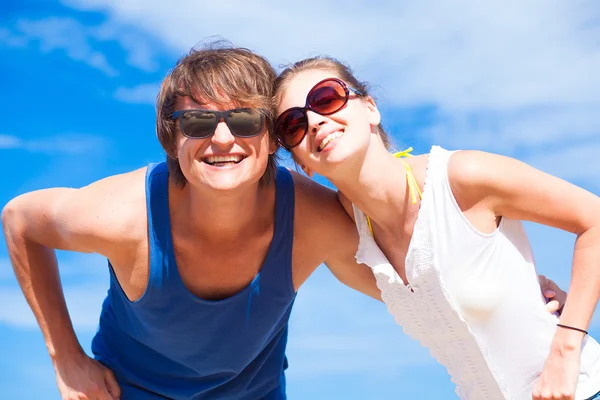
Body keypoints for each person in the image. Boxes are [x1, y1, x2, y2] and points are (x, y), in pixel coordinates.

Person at [1, 42, 566, 400]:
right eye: (197, 121)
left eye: (245, 119)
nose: (222, 139)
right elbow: (20, 219)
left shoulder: (314, 218)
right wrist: (66, 358)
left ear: (272, 140)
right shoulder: (123, 214)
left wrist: (514, 285)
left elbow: (405, 277)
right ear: (172, 138)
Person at [272, 56, 600, 400]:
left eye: (326, 98)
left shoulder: (460, 179)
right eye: (293, 124)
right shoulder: (353, 247)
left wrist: (567, 347)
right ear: (302, 163)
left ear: (370, 109)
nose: (313, 121)